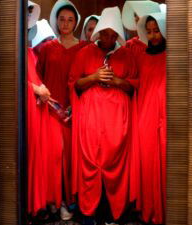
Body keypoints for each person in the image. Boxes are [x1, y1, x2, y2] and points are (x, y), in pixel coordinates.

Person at [69, 7, 138, 223]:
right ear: (98, 32)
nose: (108, 38)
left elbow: (134, 87)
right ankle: (89, 213)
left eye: (113, 34)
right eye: (105, 33)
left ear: (118, 34)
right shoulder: (84, 54)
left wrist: (117, 81)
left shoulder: (127, 55)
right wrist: (93, 77)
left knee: (115, 162)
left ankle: (114, 212)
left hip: (117, 121)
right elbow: (74, 84)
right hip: (91, 119)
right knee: (90, 162)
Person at [36, 0, 88, 220]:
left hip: (76, 111)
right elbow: (37, 77)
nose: (65, 23)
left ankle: (68, 201)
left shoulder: (84, 48)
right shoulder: (47, 48)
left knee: (71, 158)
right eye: (62, 19)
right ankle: (53, 201)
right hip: (50, 110)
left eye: (70, 20)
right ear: (56, 21)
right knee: (54, 156)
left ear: (75, 23)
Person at [135, 12, 167, 224]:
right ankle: (149, 211)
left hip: (166, 114)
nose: (153, 36)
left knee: (165, 163)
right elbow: (139, 83)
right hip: (146, 113)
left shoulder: (173, 54)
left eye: (156, 31)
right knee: (147, 163)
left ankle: (166, 211)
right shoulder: (142, 55)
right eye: (149, 31)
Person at [26, 1, 51, 218]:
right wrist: (35, 88)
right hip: (25, 114)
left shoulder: (30, 53)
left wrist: (41, 89)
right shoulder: (16, 51)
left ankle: (35, 206)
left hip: (36, 111)